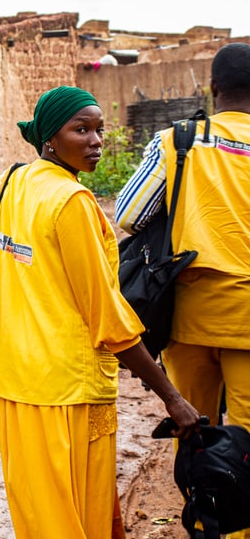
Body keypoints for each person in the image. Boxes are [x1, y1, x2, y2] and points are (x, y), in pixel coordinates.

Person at [0, 86, 200, 539]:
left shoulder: (12, 184)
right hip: (65, 389)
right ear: (50, 137)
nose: (95, 141)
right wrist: (171, 396)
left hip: (12, 380)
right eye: (81, 129)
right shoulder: (72, 203)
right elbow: (107, 316)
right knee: (74, 518)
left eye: (99, 130)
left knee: (41, 514)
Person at [115, 42, 250, 539]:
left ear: (213, 90)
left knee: (194, 431)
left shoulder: (181, 141)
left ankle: (207, 521)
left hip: (190, 319)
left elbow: (129, 216)